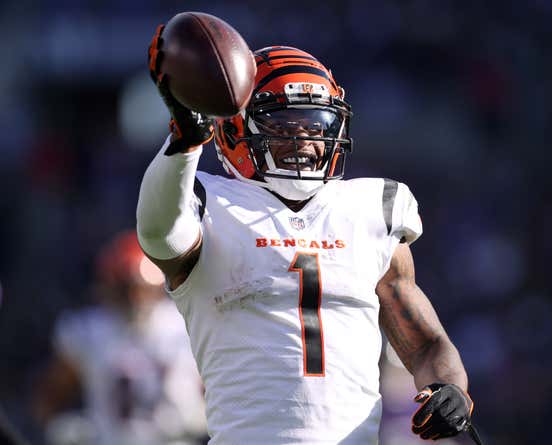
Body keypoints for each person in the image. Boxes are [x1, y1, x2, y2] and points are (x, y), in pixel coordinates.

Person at [138, 24, 474, 444]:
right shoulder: (208, 199)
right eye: (284, 122)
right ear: (234, 127)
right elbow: (159, 236)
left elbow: (426, 345)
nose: (305, 137)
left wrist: (451, 389)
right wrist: (184, 140)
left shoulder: (372, 208)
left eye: (316, 123)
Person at [33, 230, 207, 445]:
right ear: (108, 286)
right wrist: (58, 425)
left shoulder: (183, 326)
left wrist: (201, 412)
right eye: (126, 289)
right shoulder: (89, 330)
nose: (135, 299)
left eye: (142, 289)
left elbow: (218, 388)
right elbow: (50, 396)